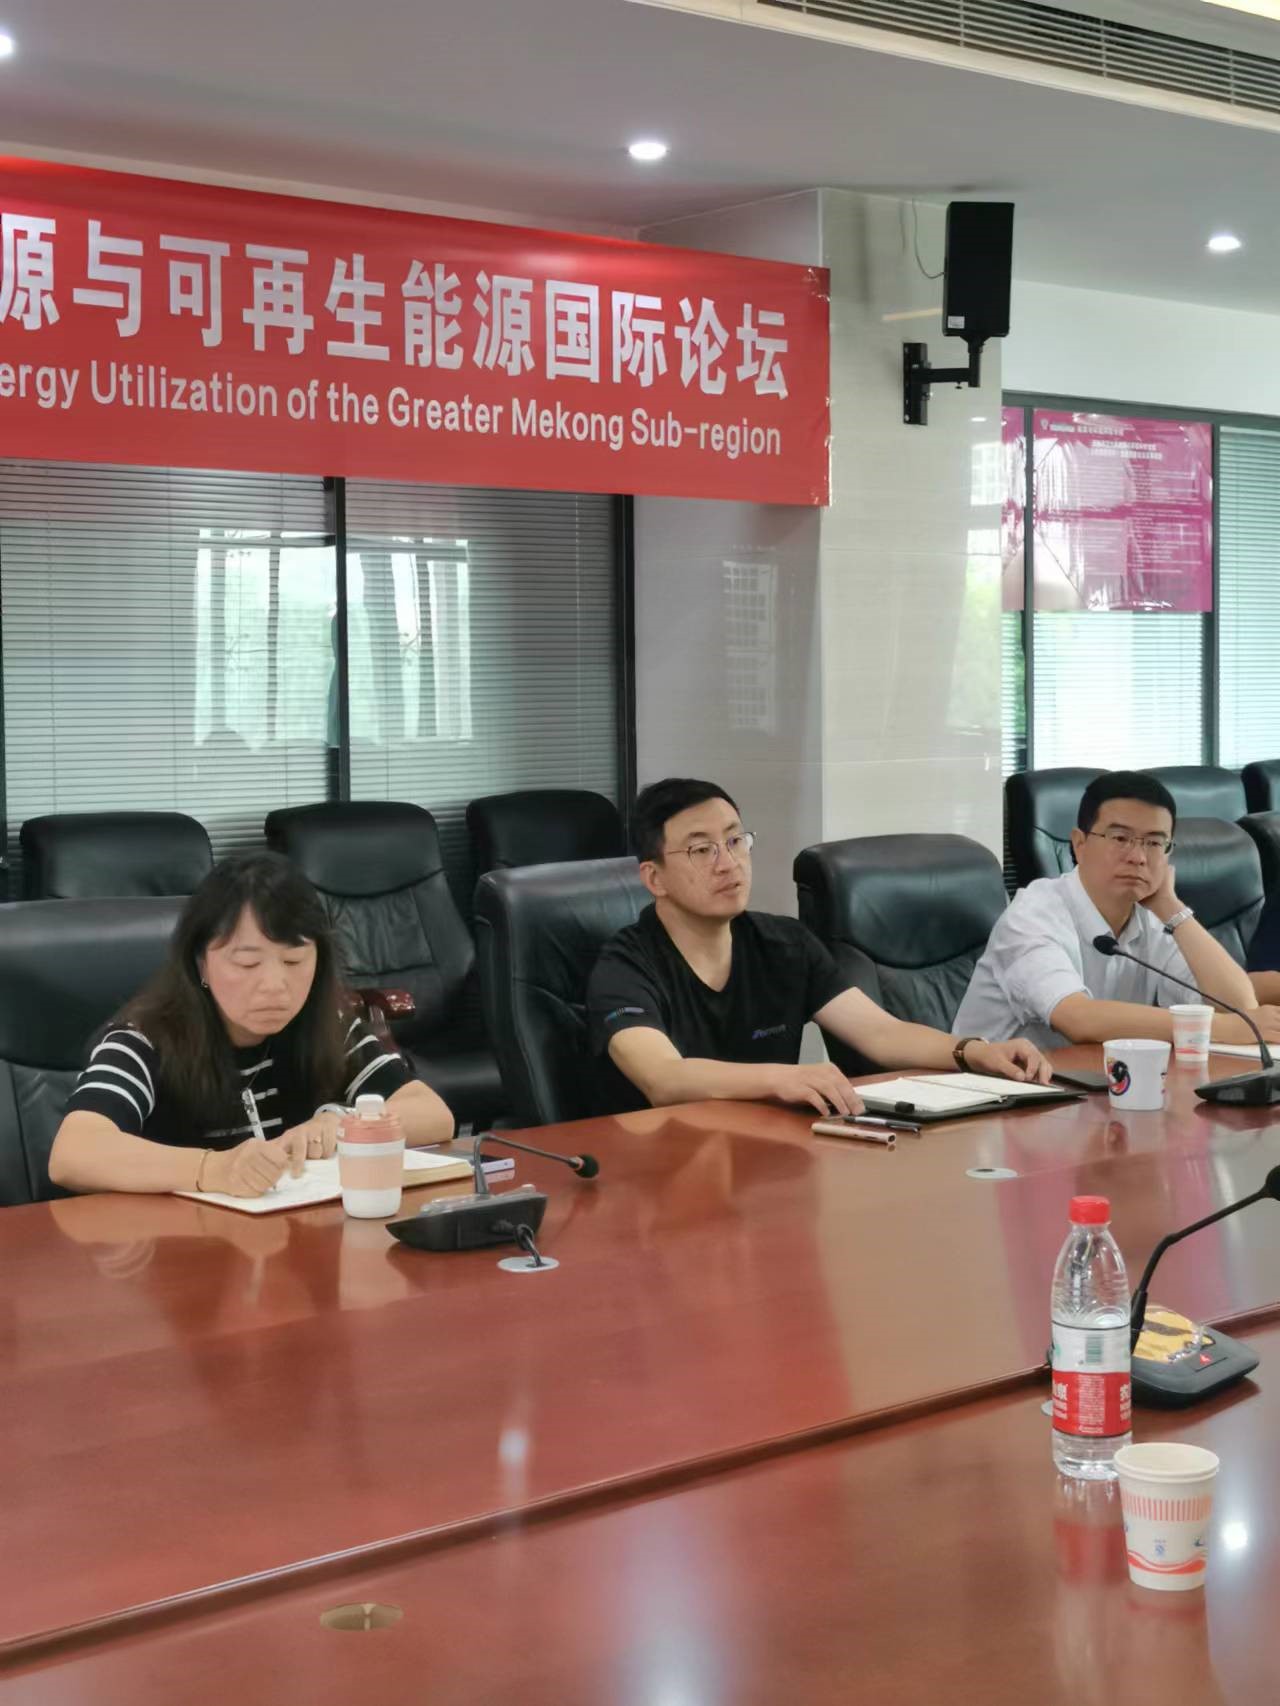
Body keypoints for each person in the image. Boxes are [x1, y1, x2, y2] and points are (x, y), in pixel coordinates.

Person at [586, 777, 1049, 1117]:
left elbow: (881, 1034)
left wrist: (973, 1052)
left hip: (763, 1154)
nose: (728, 863)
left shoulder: (784, 943)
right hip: (662, 1165)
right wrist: (784, 1078)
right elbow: (664, 1078)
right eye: (701, 850)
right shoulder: (626, 965)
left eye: (735, 840)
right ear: (654, 878)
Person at [48, 852, 454, 1197]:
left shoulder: (325, 1024)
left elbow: (433, 1113)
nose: (275, 985)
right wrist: (212, 1169)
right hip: (179, 1250)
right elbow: (73, 1153)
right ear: (201, 963)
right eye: (247, 963)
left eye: (294, 961)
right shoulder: (144, 1040)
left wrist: (343, 1124)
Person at [955, 770, 1280, 1051]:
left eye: (1154, 843)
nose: (1138, 857)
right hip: (994, 1092)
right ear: (1079, 844)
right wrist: (1217, 1028)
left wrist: (1172, 907)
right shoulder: (1034, 914)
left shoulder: (1155, 915)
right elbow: (1077, 1018)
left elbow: (1239, 1008)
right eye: (1120, 838)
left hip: (1093, 1085)